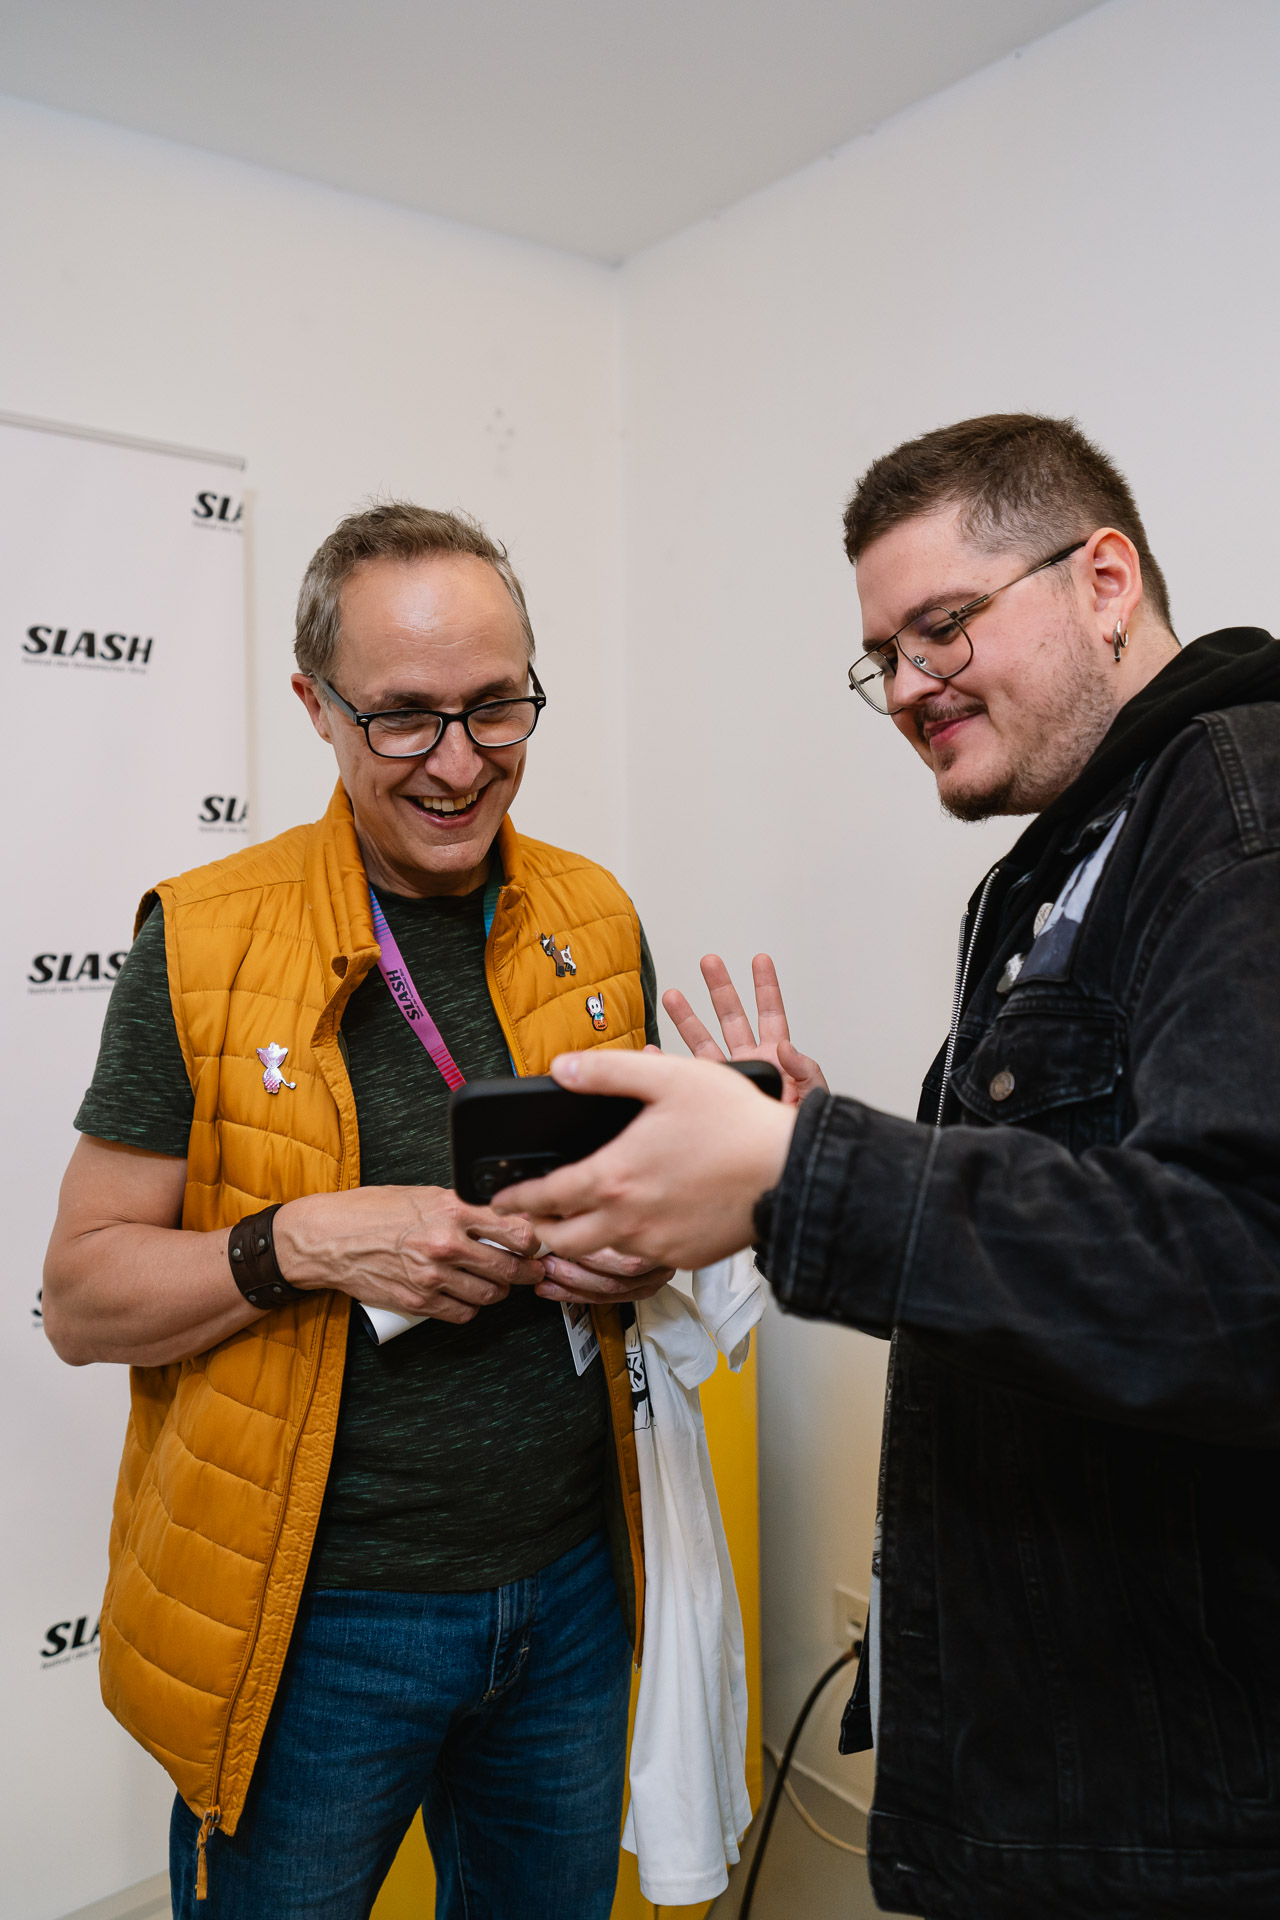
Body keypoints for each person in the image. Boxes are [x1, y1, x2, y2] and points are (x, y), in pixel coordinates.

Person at [490, 415, 1280, 1917]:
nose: (911, 686)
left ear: (1105, 580)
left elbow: (1242, 1270)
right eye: (885, 657)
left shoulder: (1242, 811)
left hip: (1186, 1814)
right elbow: (1096, 1201)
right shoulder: (1066, 853)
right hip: (1069, 1763)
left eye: (945, 626)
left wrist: (802, 1172)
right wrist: (810, 1134)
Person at [42, 503, 673, 1920]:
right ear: (315, 707)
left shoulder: (595, 913)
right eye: (401, 718)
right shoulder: (201, 937)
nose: (459, 763)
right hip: (314, 1629)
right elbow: (80, 1297)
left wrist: (691, 1209)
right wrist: (300, 1242)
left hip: (573, 1593)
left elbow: (642, 1211)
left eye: (496, 706)